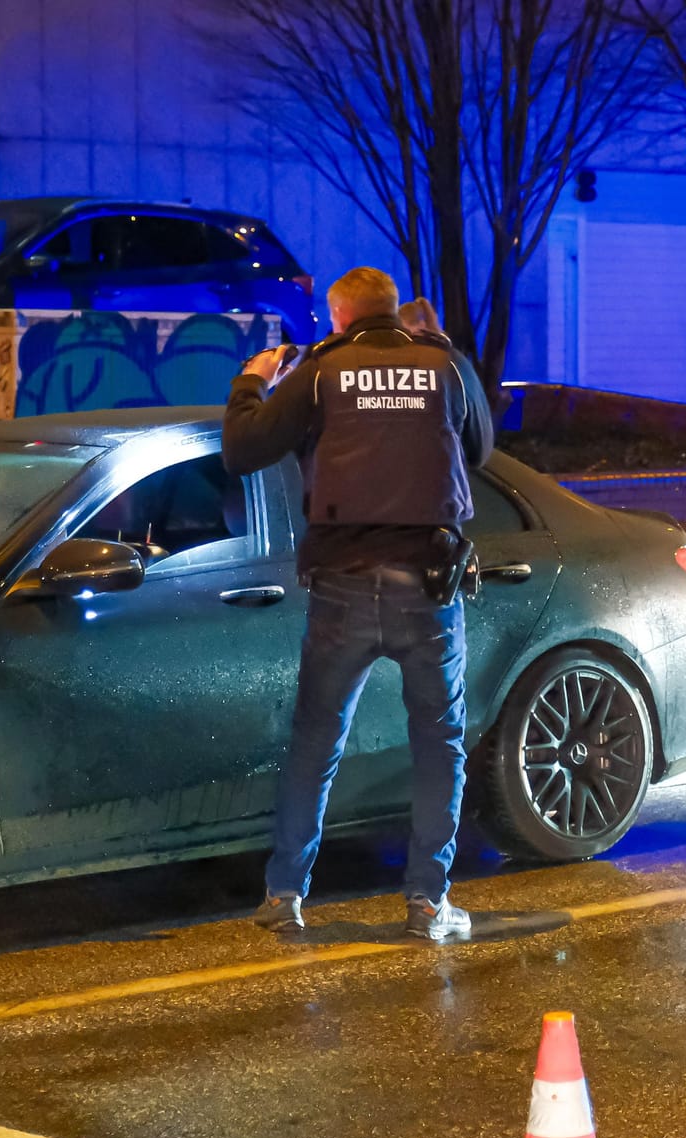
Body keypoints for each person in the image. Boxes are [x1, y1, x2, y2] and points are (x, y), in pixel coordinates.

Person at [222, 266, 494, 941]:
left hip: (342, 584)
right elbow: (481, 448)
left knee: (316, 740)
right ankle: (428, 904)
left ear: (339, 318)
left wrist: (254, 378)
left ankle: (284, 894)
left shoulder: (320, 370)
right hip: (428, 588)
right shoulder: (444, 365)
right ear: (396, 312)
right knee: (439, 744)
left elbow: (243, 449)